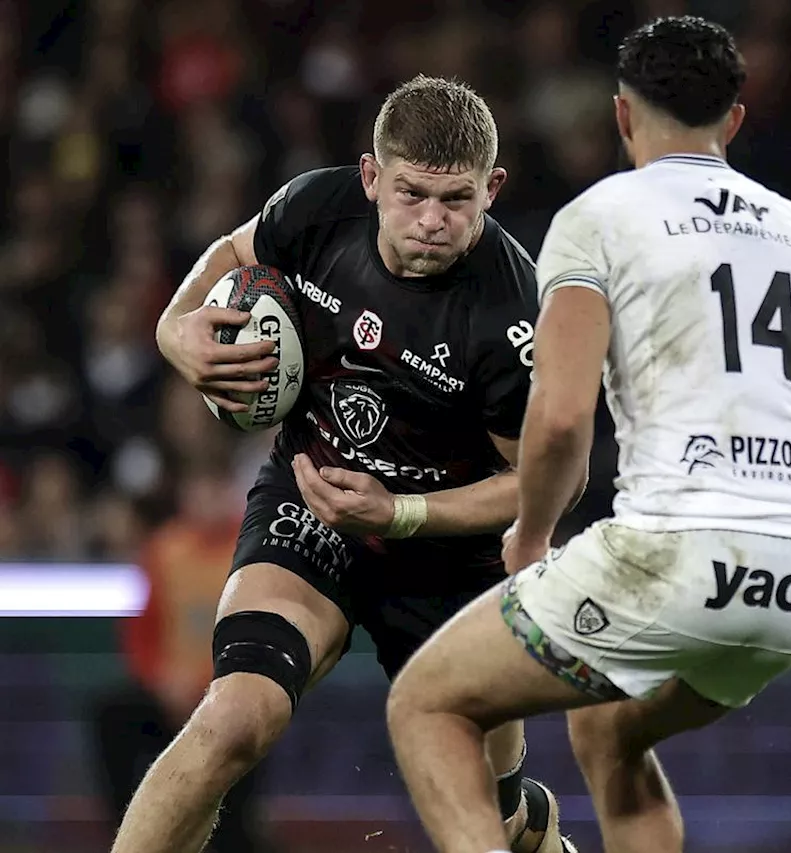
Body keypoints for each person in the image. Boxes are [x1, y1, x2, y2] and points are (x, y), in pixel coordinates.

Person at [384, 16, 791, 853]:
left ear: (622, 115)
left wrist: (532, 531)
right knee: (612, 734)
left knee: (429, 703)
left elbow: (559, 419)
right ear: (734, 121)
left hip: (673, 552)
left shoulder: (600, 218)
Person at [112, 76, 578, 853]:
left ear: (493, 189)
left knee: (487, 821)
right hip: (311, 503)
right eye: (411, 193)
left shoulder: (515, 316)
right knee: (233, 717)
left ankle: (531, 821)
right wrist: (173, 329)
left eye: (456, 199)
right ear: (370, 178)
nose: (432, 220)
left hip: (450, 558)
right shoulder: (314, 210)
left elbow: (542, 487)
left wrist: (398, 512)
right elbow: (232, 252)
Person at [93, 461, 272, 853]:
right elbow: (141, 631)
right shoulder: (164, 549)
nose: (204, 501)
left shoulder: (252, 548)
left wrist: (208, 686)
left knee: (250, 723)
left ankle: (231, 839)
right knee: (112, 714)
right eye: (197, 489)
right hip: (167, 694)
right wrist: (159, 680)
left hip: (229, 693)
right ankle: (129, 829)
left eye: (213, 489)